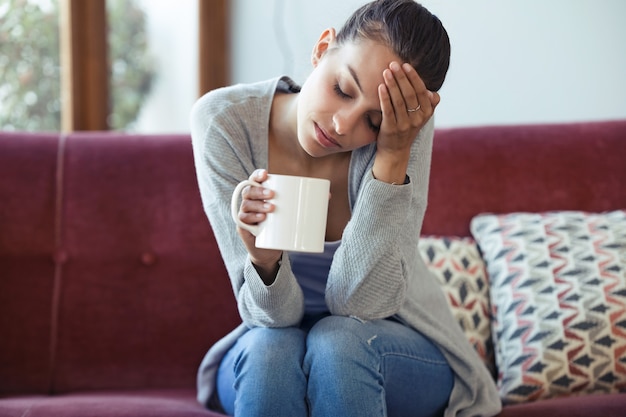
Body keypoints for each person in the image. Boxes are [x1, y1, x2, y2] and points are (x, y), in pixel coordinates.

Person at [190, 1, 501, 416]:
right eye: (342, 89)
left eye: (373, 122)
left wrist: (392, 155)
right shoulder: (223, 121)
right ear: (322, 49)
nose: (342, 126)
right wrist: (264, 260)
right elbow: (269, 316)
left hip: (386, 343)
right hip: (270, 340)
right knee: (272, 350)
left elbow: (362, 306)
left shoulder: (403, 133)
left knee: (338, 342)